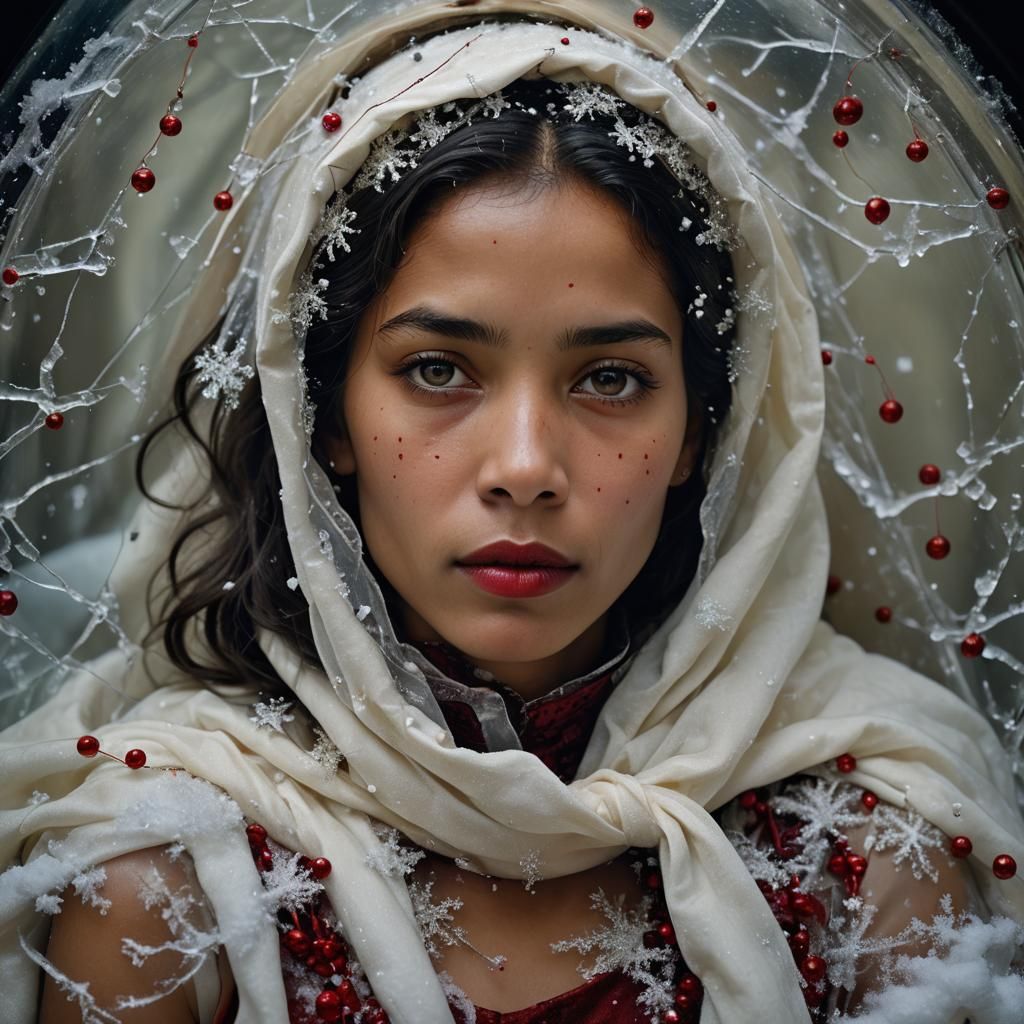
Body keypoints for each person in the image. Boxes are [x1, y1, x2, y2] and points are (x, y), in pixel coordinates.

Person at [1, 12, 1022, 1024]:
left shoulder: (867, 856)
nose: (527, 468)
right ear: (320, 416)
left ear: (702, 434)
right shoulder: (168, 878)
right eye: (438, 369)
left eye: (611, 378)